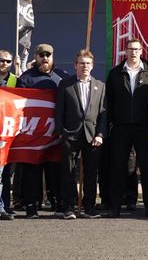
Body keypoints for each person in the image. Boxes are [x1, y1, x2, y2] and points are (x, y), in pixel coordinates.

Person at [105, 38, 148, 218]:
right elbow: (109, 102)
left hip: (144, 128)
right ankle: (115, 207)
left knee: (147, 168)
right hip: (121, 128)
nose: (134, 52)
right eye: (130, 49)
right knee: (118, 167)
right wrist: (111, 124)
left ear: (142, 51)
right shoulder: (115, 74)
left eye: (137, 49)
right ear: (125, 52)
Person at [17, 43, 69, 218]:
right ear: (36, 56)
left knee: (56, 170)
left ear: (53, 57)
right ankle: (31, 206)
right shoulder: (25, 78)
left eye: (48, 55)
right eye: (41, 55)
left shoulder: (62, 77)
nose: (45, 58)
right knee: (32, 172)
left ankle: (59, 204)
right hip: (33, 134)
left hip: (56, 133)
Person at [54, 50, 107, 219]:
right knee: (68, 172)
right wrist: (61, 132)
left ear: (92, 66)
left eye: (88, 63)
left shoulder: (100, 85)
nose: (85, 66)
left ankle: (89, 207)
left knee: (91, 173)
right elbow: (59, 110)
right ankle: (69, 207)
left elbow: (103, 114)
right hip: (70, 135)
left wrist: (100, 134)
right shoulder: (65, 84)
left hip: (92, 136)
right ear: (75, 65)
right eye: (82, 63)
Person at [0, 49, 17, 220]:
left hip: (6, 132)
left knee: (5, 173)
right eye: (1, 60)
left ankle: (4, 204)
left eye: (7, 61)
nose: (4, 64)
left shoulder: (15, 81)